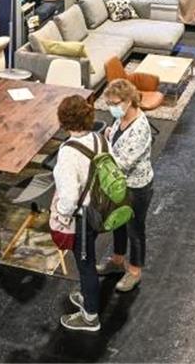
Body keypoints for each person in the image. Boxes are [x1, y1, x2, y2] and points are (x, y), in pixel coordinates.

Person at [54, 96, 106, 332]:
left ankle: (90, 315)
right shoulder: (98, 138)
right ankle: (88, 296)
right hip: (100, 209)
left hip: (82, 217)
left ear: (64, 121)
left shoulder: (67, 153)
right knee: (89, 259)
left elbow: (68, 198)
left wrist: (61, 216)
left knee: (86, 265)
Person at [97, 79, 153, 293]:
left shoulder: (140, 128)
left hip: (136, 188)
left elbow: (121, 164)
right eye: (108, 102)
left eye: (114, 102)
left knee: (135, 229)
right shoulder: (121, 119)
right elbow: (115, 141)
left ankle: (135, 271)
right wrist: (110, 137)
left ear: (129, 101)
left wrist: (102, 152)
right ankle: (117, 261)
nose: (111, 107)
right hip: (119, 186)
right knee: (118, 223)